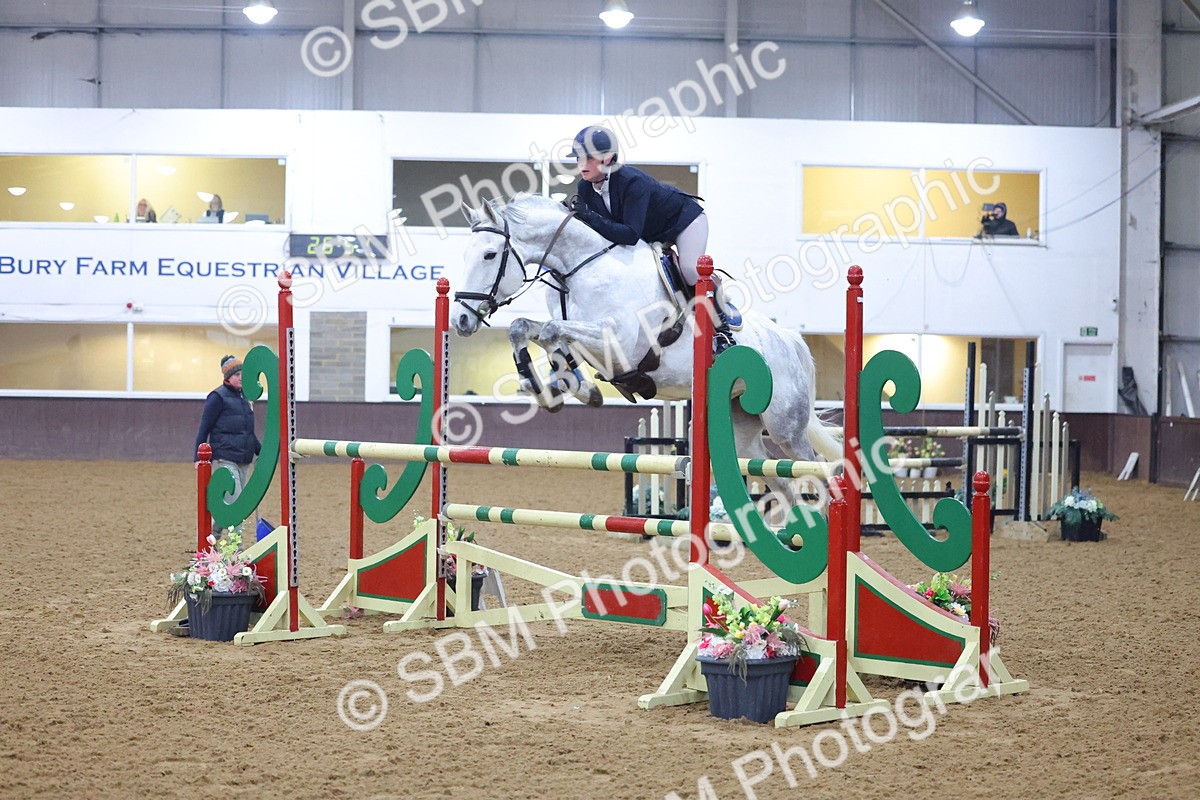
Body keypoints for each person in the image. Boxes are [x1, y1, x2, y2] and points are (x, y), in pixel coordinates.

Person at [566, 125, 742, 351]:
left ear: (608, 157)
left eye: (587, 158)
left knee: (689, 270)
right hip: (650, 232)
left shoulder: (631, 181)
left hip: (684, 221)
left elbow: (629, 234)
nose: (581, 164)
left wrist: (588, 215)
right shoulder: (586, 186)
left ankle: (723, 331)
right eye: (579, 158)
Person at [193, 355, 261, 537]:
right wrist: (197, 458)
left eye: (243, 374)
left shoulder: (246, 397)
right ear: (228, 376)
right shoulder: (217, 397)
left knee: (234, 505)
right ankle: (237, 552)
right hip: (225, 458)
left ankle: (213, 536)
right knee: (236, 507)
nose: (241, 377)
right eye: (237, 374)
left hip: (244, 459)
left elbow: (248, 431)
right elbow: (204, 428)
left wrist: (260, 451)